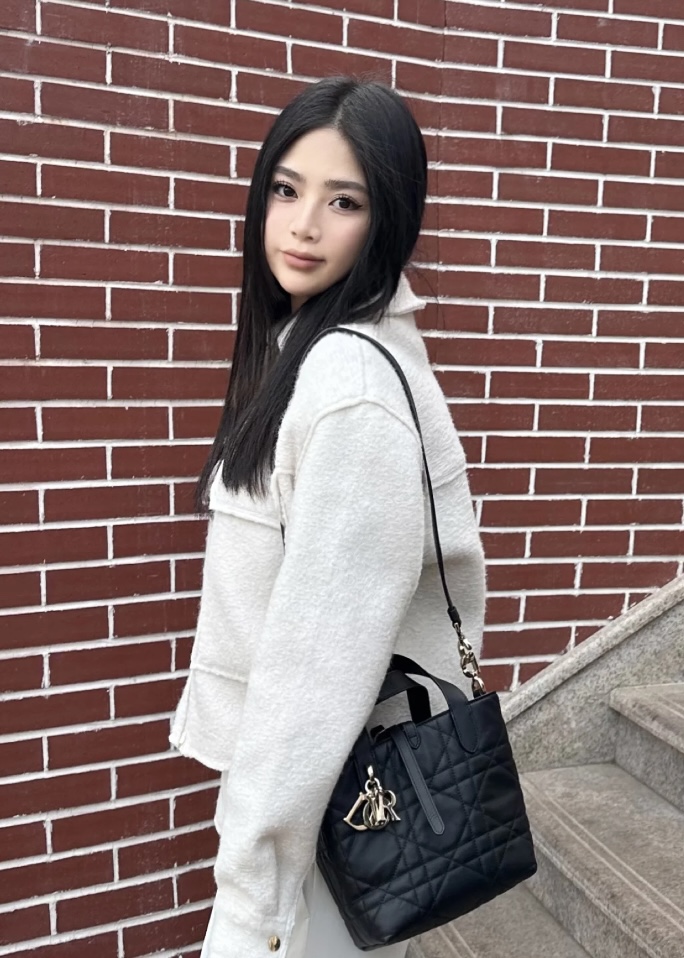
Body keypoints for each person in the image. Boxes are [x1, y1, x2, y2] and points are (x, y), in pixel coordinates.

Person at [169, 75, 486, 958]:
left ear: (388, 220)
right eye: (286, 189)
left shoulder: (348, 388)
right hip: (323, 805)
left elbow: (315, 672)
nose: (304, 224)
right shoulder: (316, 353)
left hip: (325, 819)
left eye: (344, 200)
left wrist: (253, 893)